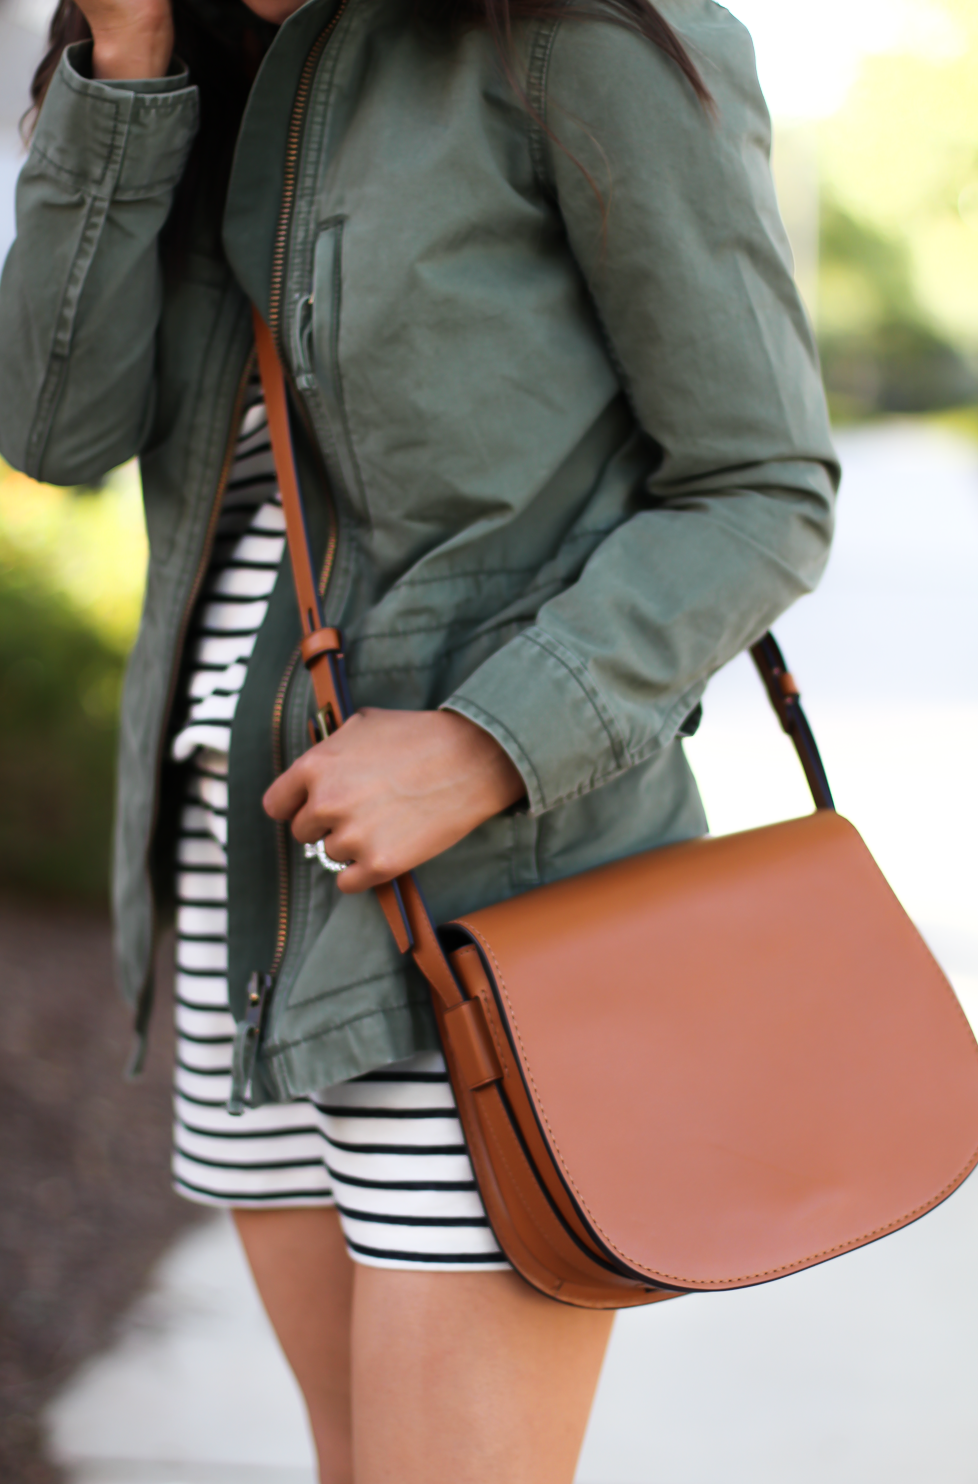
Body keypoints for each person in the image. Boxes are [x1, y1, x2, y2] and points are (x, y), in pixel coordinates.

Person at [0, 0, 838, 1474]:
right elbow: (55, 431)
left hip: (485, 908)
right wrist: (122, 69)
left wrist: (481, 740)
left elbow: (760, 486)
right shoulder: (187, 69)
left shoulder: (574, 38)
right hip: (237, 890)